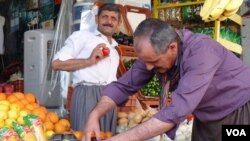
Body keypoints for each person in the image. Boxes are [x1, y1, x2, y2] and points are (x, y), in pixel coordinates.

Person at [82, 18, 250, 141]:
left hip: (238, 112)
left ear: (172, 48)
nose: (148, 68)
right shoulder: (153, 56)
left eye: (153, 62)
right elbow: (123, 86)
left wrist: (120, 139)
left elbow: (177, 110)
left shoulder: (202, 52)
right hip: (206, 118)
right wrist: (94, 115)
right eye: (145, 62)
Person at [51, 3, 122, 134]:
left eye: (113, 18)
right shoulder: (82, 37)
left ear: (118, 23)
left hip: (109, 98)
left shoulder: (115, 50)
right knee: (85, 136)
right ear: (96, 19)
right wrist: (88, 61)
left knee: (107, 136)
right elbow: (56, 64)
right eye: (104, 17)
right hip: (87, 95)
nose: (108, 21)